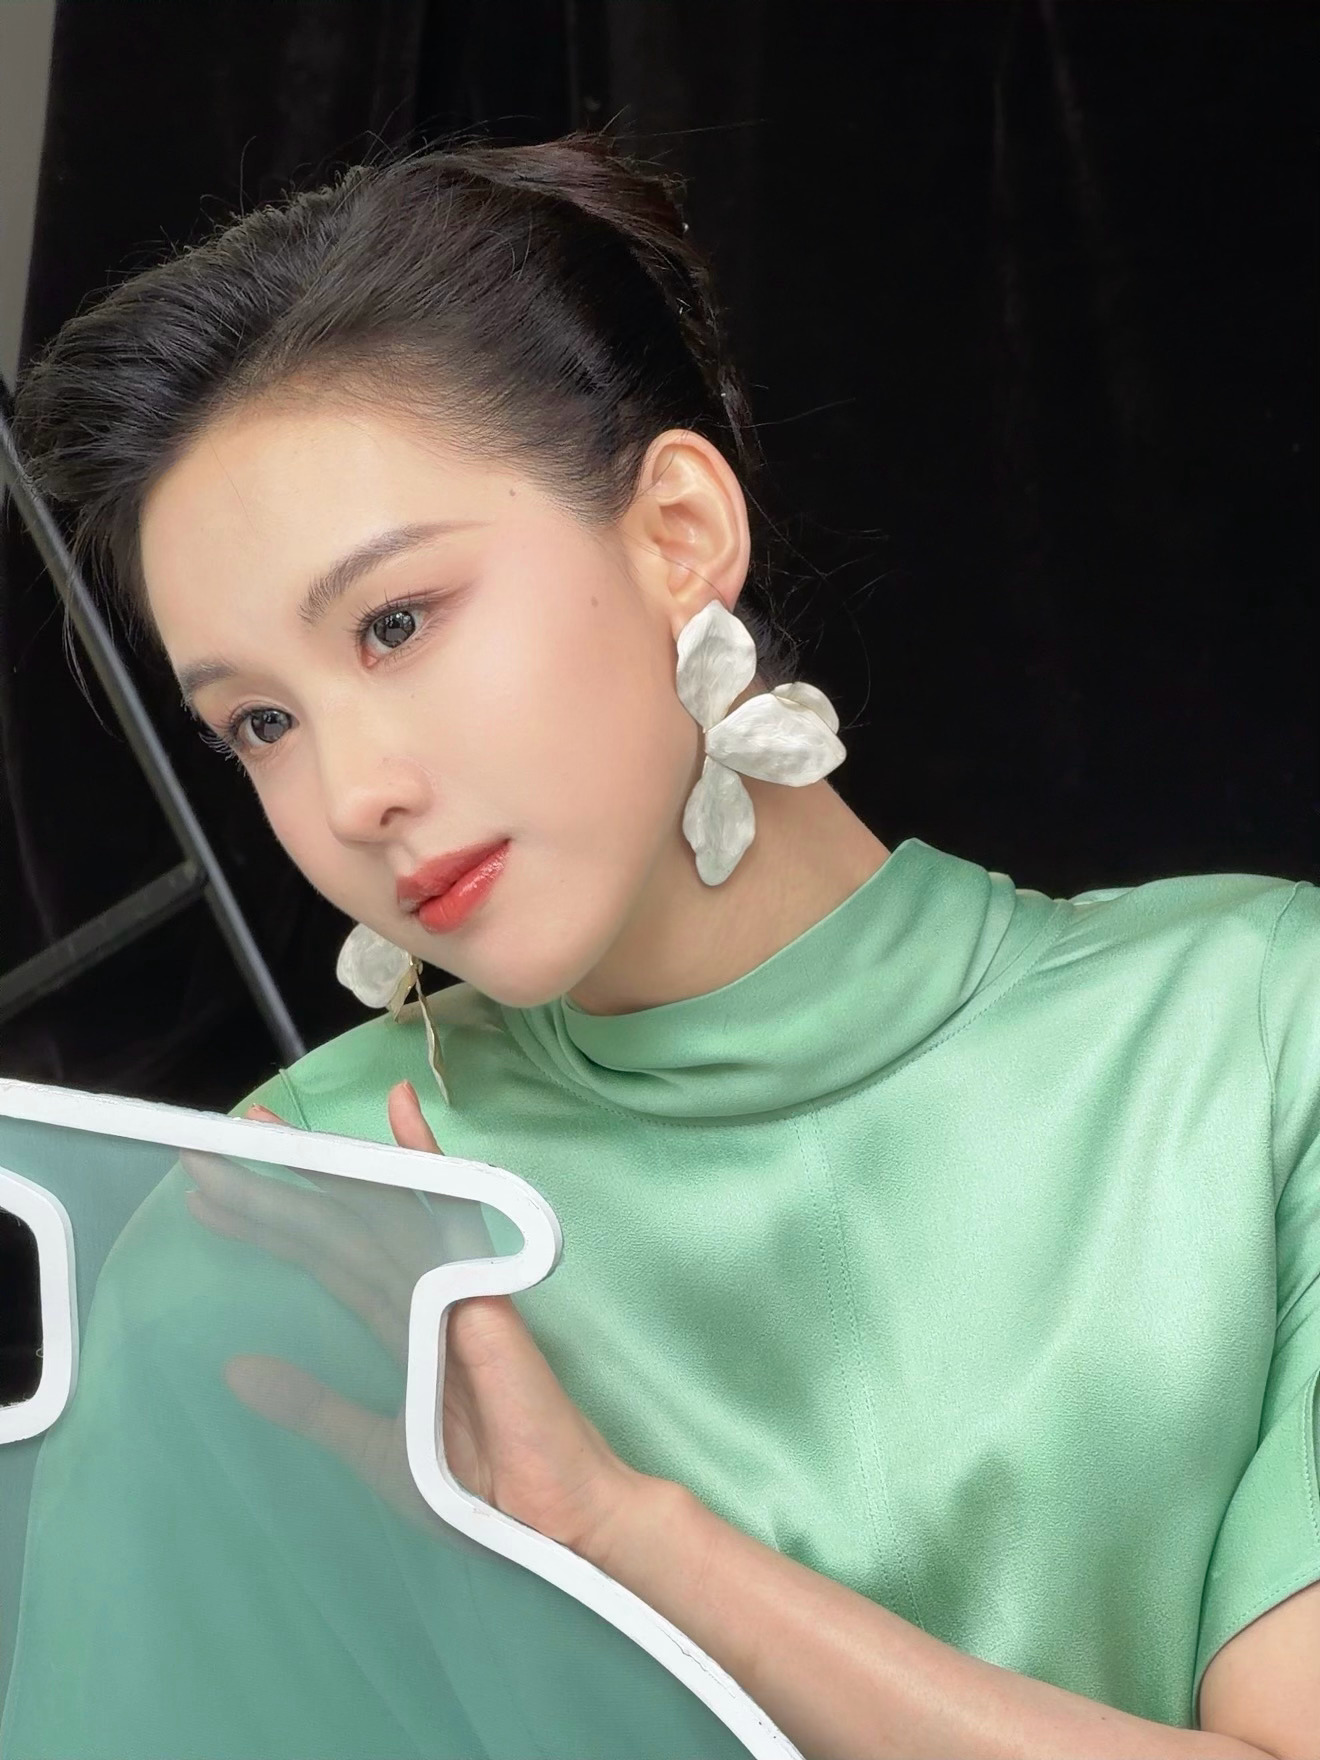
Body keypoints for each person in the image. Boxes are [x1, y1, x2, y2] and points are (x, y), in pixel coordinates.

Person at [7, 131, 1318, 1760]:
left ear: (679, 530)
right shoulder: (293, 1227)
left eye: (396, 623)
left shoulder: (1256, 1040)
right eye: (259, 722)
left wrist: (634, 1546)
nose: (352, 795)